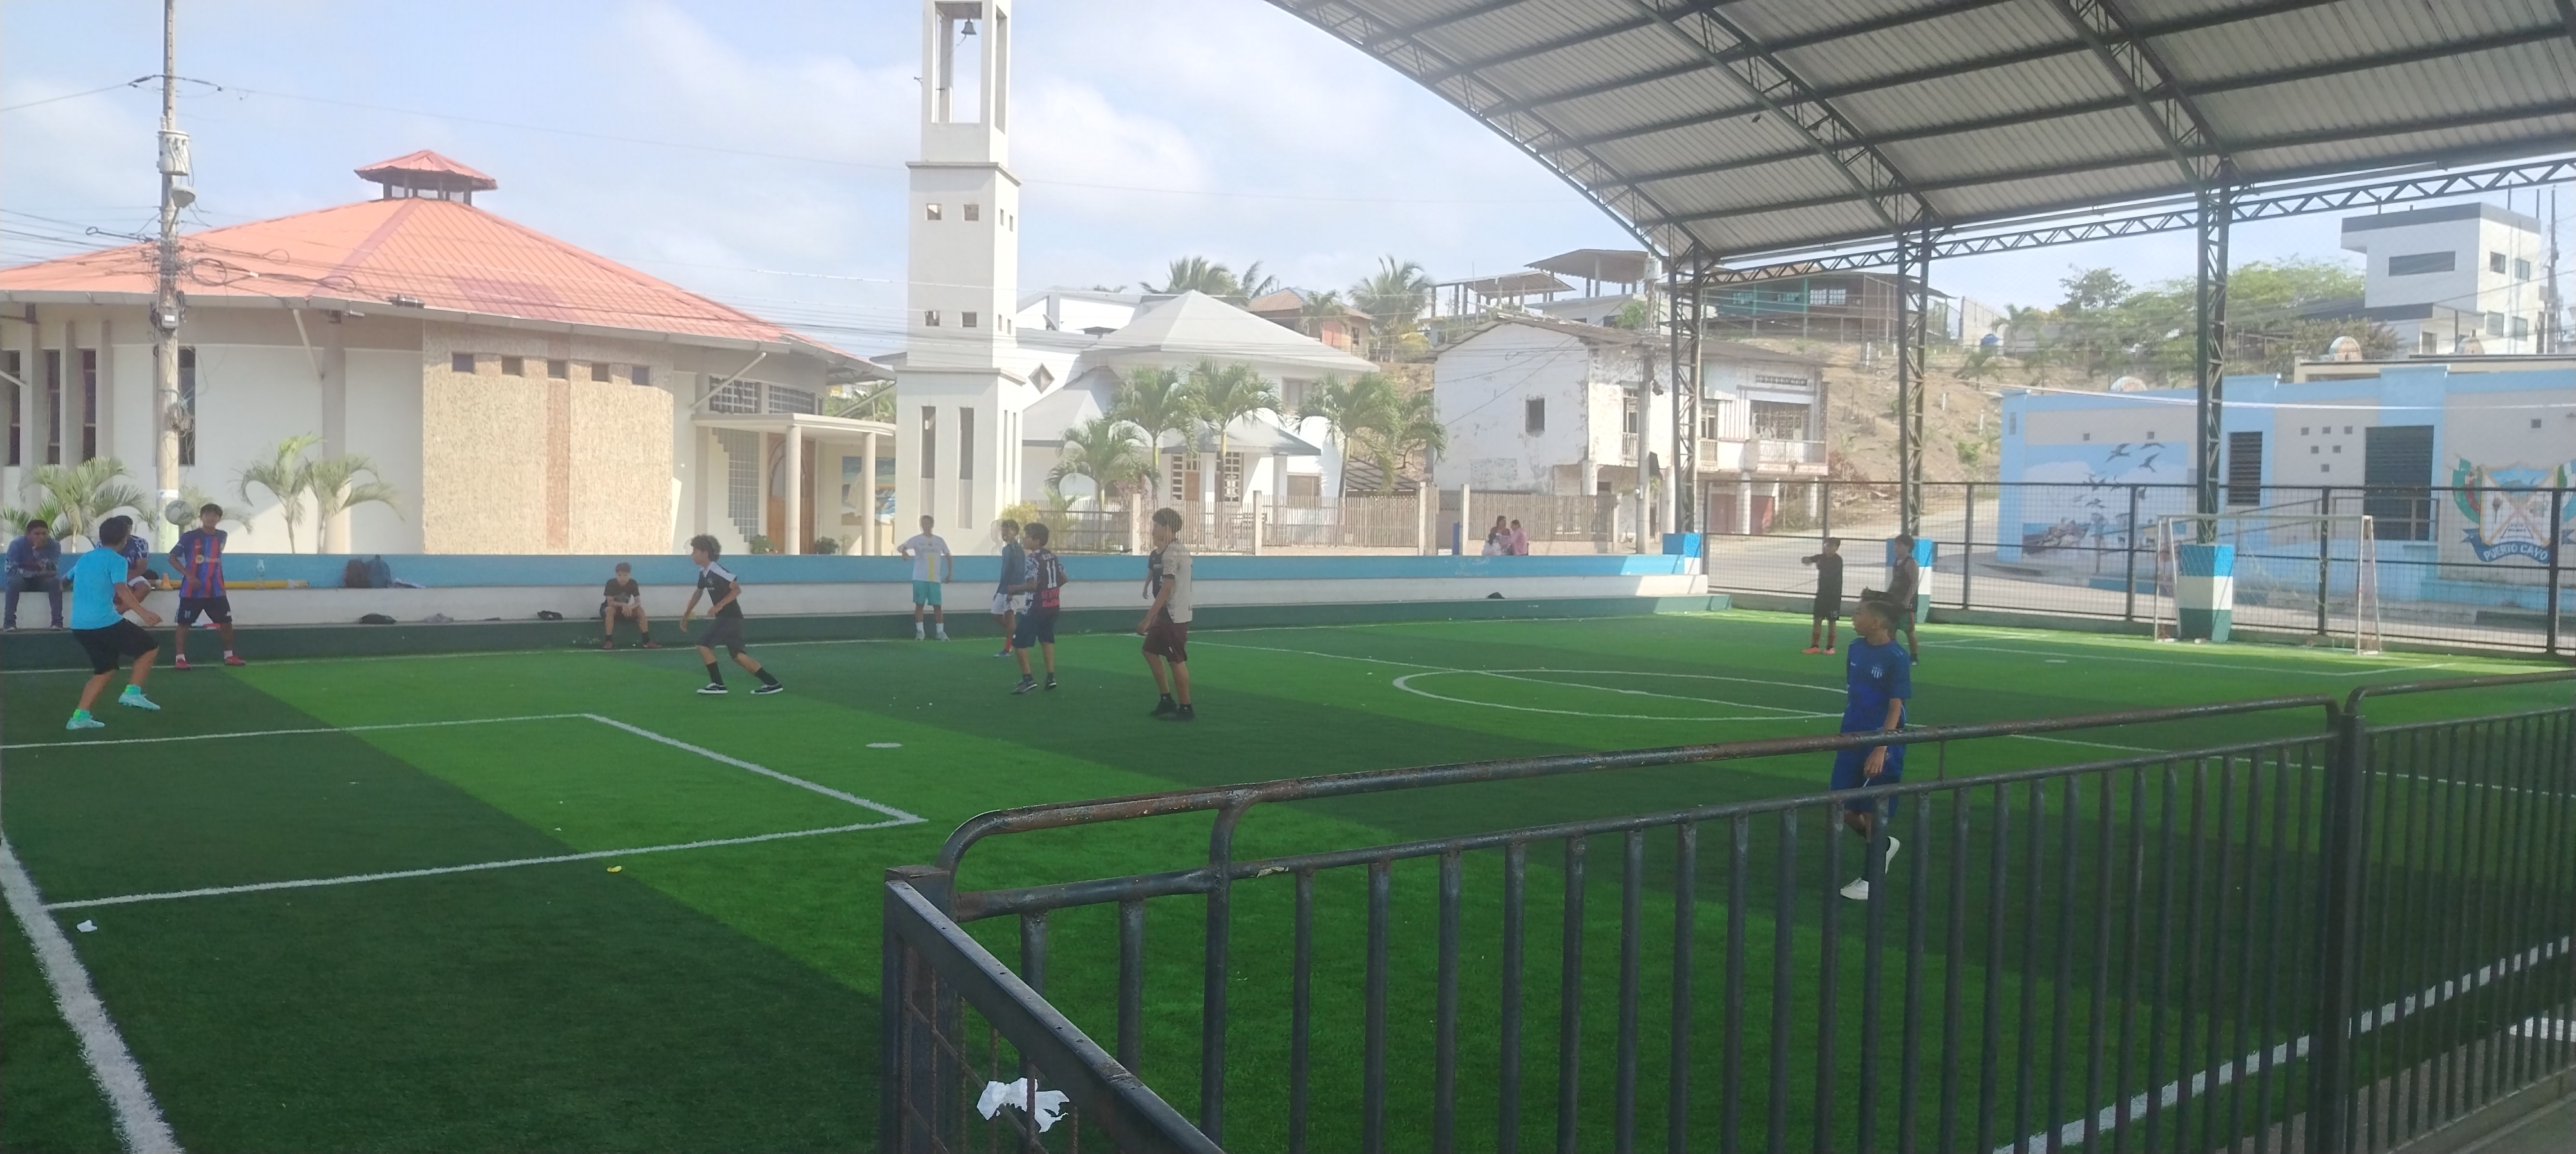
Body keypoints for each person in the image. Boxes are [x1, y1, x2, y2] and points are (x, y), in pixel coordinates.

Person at [1834, 600, 1911, 901]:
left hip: (1881, 743)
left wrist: (1881, 747)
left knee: (1871, 811)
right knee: (1843, 809)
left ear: (1877, 622)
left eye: (1859, 613)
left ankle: (1870, 879)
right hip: (1851, 738)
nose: (1853, 617)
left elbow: (1896, 706)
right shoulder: (1855, 648)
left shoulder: (1896, 657)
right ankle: (1884, 846)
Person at [64, 516, 164, 730]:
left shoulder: (85, 558)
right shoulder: (117, 560)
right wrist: (143, 613)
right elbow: (122, 588)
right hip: (104, 622)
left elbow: (64, 581)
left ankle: (79, 717)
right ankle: (132, 693)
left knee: (105, 669)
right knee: (149, 648)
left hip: (80, 625)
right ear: (125, 539)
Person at [678, 534, 782, 695]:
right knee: (738, 656)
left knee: (703, 645)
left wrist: (719, 606)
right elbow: (698, 593)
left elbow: (736, 589)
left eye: (695, 551)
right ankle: (772, 683)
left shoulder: (716, 570)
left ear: (705, 553)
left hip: (729, 617)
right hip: (731, 619)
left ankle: (718, 684)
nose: (692, 555)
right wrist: (686, 615)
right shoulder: (703, 573)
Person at [169, 503, 245, 668]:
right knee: (184, 623)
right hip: (192, 590)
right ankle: (180, 658)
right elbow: (172, 558)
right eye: (207, 515)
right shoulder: (189, 537)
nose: (211, 518)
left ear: (219, 519)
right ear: (201, 517)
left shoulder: (222, 536)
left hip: (216, 590)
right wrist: (189, 575)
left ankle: (229, 656)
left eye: (215, 515)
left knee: (226, 622)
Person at [1141, 507, 1195, 721]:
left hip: (1173, 615)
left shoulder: (1173, 552)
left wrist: (1148, 618)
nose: (1153, 530)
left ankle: (1186, 707)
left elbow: (1166, 588)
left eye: (1157, 526)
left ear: (1168, 528)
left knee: (1176, 660)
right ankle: (1166, 699)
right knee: (1149, 651)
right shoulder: (1172, 550)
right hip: (1166, 614)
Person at [1009, 522, 1068, 694]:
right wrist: (1050, 590)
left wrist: (1015, 588)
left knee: (1018, 641)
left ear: (1036, 540)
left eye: (1027, 536)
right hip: (1053, 605)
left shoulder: (1033, 558)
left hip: (1036, 606)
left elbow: (1033, 585)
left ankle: (1027, 679)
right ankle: (1050, 677)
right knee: (1046, 639)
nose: (1024, 539)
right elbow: (1064, 578)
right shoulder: (1052, 556)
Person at [900, 515, 953, 640]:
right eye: (922, 523)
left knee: (937, 606)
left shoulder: (939, 541)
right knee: (919, 605)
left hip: (934, 579)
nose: (924, 525)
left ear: (932, 524)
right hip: (920, 578)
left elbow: (948, 556)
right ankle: (920, 632)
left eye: (926, 523)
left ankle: (940, 632)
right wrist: (904, 552)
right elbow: (901, 547)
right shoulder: (916, 540)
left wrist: (949, 573)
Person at [5, 518, 64, 631]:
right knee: (13, 582)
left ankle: (57, 622)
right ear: (28, 534)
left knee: (55, 582)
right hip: (22, 581)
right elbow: (11, 570)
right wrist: (38, 573)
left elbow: (53, 570)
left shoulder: (54, 545)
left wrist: (38, 552)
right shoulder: (16, 545)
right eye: (37, 534)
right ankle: (9, 623)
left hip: (42, 581)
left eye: (44, 534)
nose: (41, 537)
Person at [1801, 537, 1844, 655]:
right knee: (1817, 619)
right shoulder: (1821, 557)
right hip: (1821, 594)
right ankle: (1814, 646)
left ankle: (1830, 648)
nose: (1828, 547)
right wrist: (1806, 559)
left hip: (1834, 595)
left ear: (1837, 548)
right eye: (1826, 545)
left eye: (1831, 545)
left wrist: (1820, 566)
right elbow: (1809, 559)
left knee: (1832, 621)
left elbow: (1830, 572)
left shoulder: (1838, 560)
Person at [600, 562, 657, 650]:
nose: (622, 578)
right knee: (611, 610)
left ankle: (646, 641)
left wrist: (630, 607)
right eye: (619, 575)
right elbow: (610, 602)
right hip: (609, 609)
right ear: (616, 575)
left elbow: (638, 602)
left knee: (640, 610)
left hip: (625, 610)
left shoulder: (633, 583)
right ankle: (609, 640)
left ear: (630, 575)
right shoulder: (611, 583)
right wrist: (624, 605)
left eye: (625, 575)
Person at [991, 519, 1027, 658]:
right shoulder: (1006, 549)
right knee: (996, 614)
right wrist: (999, 590)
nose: (1004, 533)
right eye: (1003, 530)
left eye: (1007, 530)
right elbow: (1004, 572)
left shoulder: (1017, 550)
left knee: (1010, 617)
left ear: (1015, 532)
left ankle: (1008, 649)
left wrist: (1013, 591)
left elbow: (1019, 571)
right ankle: (1017, 634)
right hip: (1004, 588)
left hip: (1013, 589)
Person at [1886, 533, 1922, 663]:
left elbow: (1914, 583)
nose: (1896, 547)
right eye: (1895, 545)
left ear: (1907, 547)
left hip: (1907, 602)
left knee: (1909, 630)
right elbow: (1895, 580)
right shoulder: (1896, 562)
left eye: (1899, 545)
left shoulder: (1911, 563)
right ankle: (1893, 654)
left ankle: (1914, 657)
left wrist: (1907, 600)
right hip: (1895, 600)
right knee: (1891, 628)